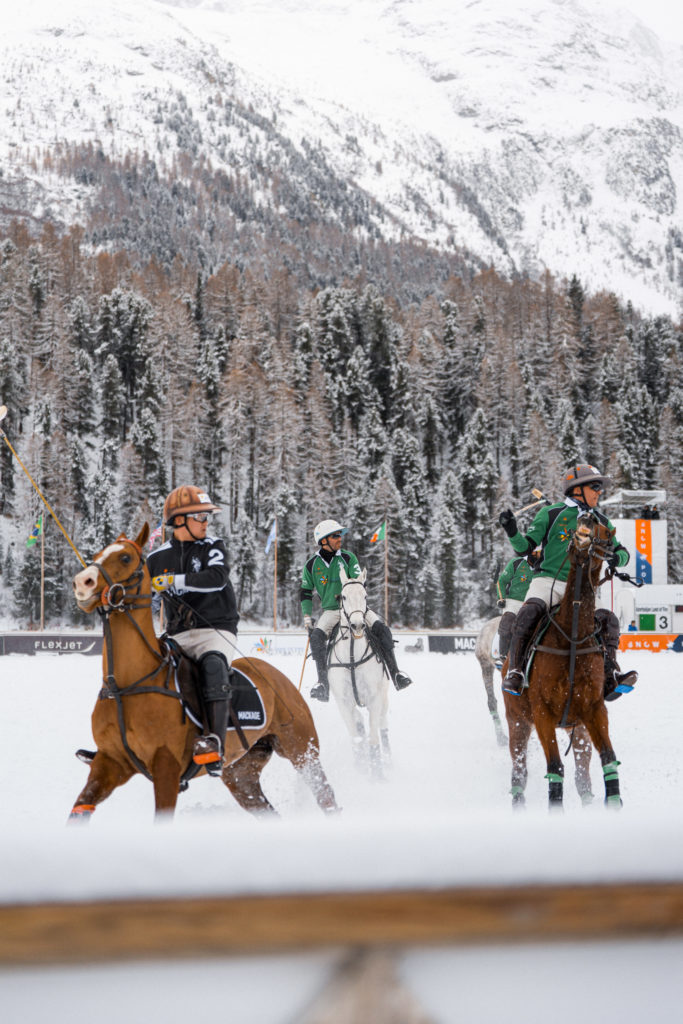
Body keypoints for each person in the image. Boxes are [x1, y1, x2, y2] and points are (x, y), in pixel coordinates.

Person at [498, 464, 638, 700]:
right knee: (528, 612)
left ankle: (611, 674)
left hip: (586, 588)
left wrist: (616, 557)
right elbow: (525, 548)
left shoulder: (601, 520)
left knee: (609, 620)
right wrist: (512, 531)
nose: (599, 492)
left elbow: (623, 553)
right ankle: (516, 671)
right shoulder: (551, 513)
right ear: (577, 489)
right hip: (549, 581)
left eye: (600, 488)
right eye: (595, 486)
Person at [147, 485, 239, 775]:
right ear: (179, 521)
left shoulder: (213, 546)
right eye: (200, 516)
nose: (205, 522)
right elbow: (144, 598)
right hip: (176, 635)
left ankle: (214, 743)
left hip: (216, 629)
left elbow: (217, 578)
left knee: (213, 665)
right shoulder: (156, 559)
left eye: (206, 516)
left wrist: (174, 581)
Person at [301, 518, 412, 701]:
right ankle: (323, 684)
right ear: (323, 541)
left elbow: (358, 581)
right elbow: (305, 592)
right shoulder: (311, 565)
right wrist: (307, 616)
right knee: (316, 638)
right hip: (331, 611)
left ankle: (396, 674)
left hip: (356, 608)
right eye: (335, 536)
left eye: (339, 536)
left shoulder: (348, 558)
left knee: (382, 630)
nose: (340, 539)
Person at [495, 551, 540, 661]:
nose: (538, 555)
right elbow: (501, 581)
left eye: (540, 552)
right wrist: (501, 598)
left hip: (533, 601)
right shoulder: (517, 563)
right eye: (536, 552)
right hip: (513, 601)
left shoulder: (545, 564)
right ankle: (503, 656)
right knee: (507, 622)